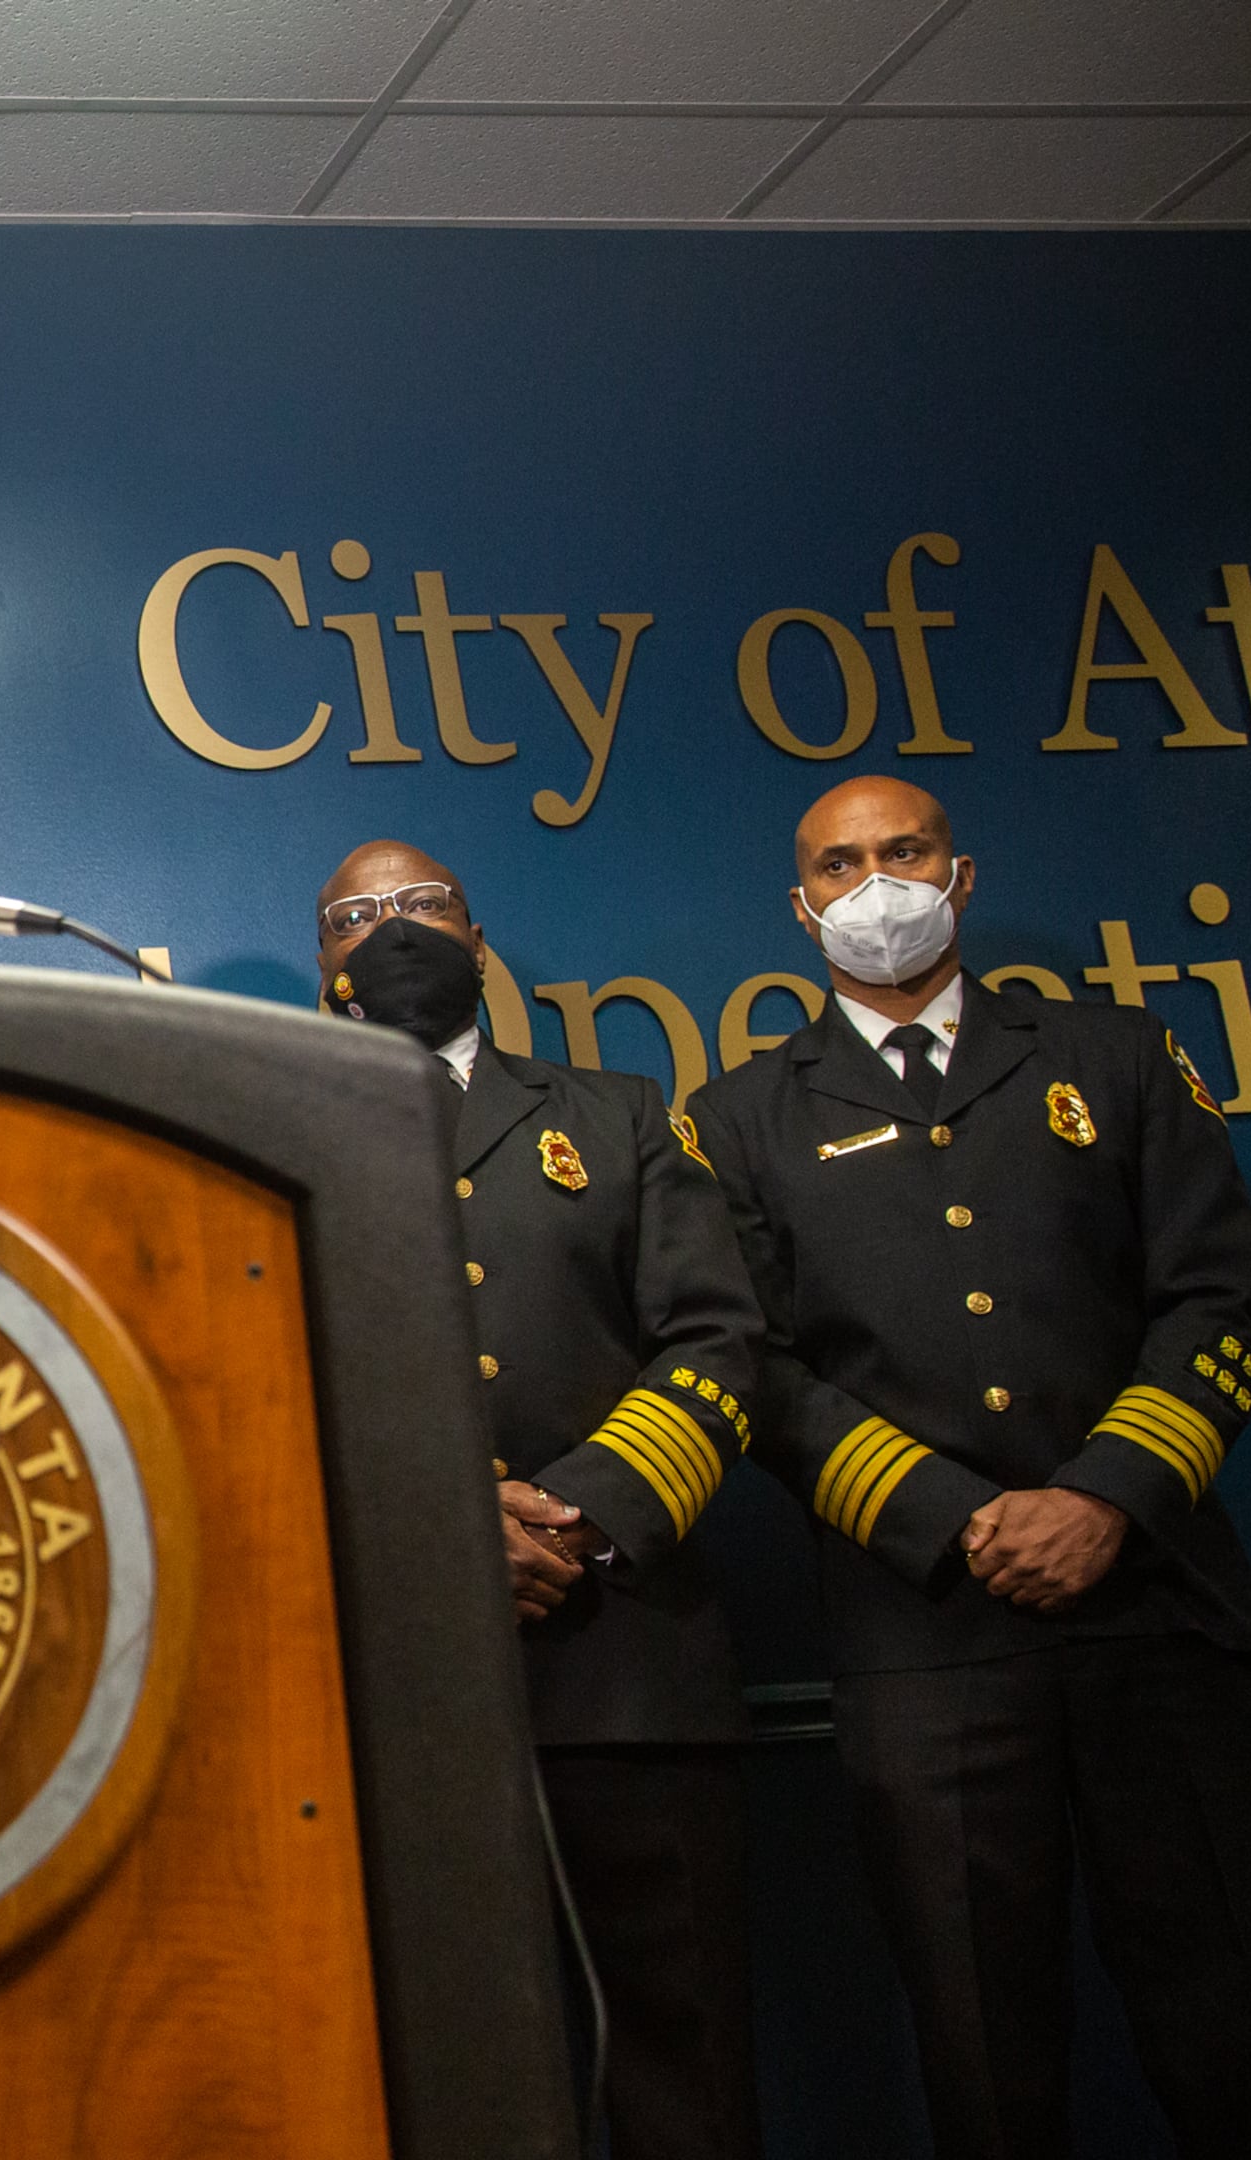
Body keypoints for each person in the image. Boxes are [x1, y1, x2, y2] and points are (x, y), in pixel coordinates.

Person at [691, 775, 1251, 2158]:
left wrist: (1103, 1496)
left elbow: (1217, 1297)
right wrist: (957, 1521)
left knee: (1246, 2041)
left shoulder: (1115, 1054)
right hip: (926, 1641)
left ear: (960, 874)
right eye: (841, 865)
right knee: (986, 2062)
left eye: (904, 851)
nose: (877, 884)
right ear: (800, 907)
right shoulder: (738, 1118)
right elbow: (759, 1375)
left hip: (1160, 1616)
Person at [315, 842, 764, 2159]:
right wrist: (452, 1539)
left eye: (425, 907)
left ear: (480, 938)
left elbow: (718, 1342)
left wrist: (576, 1516)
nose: (395, 929)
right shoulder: (279, 1129)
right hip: (400, 1691)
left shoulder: (619, 1115)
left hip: (629, 1672)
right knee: (448, 2086)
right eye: (357, 915)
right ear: (323, 960)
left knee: (686, 2073)